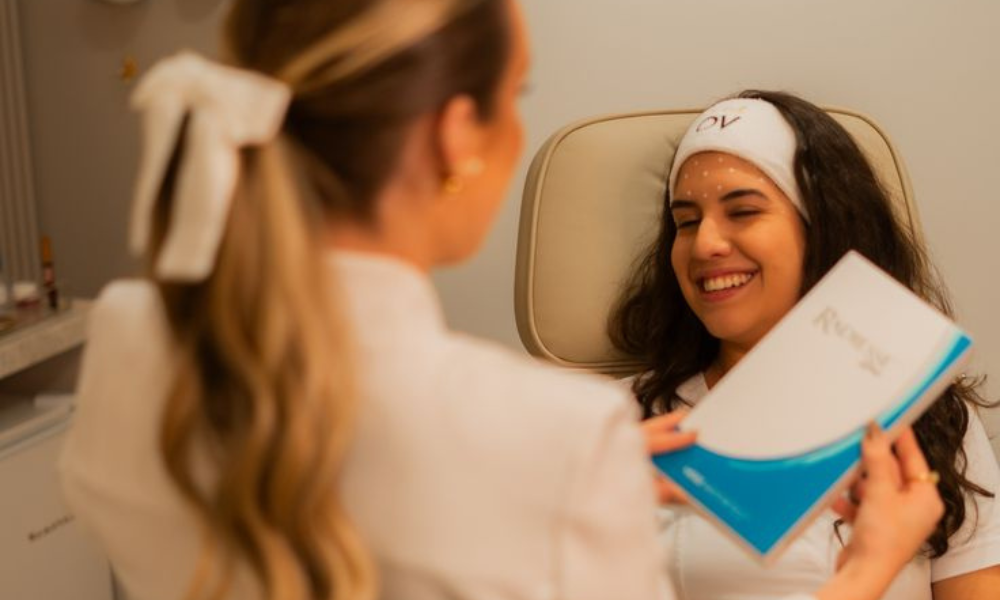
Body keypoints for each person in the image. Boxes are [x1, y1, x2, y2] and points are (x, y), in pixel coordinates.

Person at [58, 3, 942, 600]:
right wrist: (866, 572)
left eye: (744, 209)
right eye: (513, 97)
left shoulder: (128, 345)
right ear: (455, 136)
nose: (708, 242)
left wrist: (590, 483)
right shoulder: (552, 434)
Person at [611, 90, 1000, 600]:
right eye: (686, 222)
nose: (705, 243)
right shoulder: (620, 424)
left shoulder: (929, 420)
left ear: (823, 228)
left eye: (743, 211)